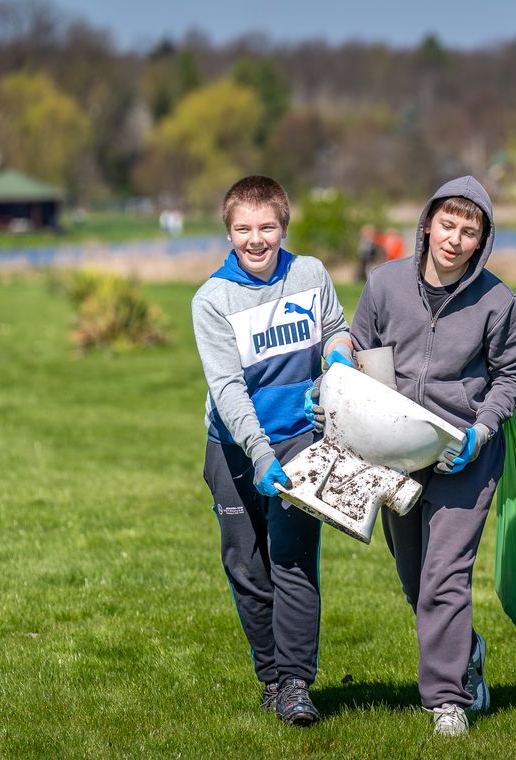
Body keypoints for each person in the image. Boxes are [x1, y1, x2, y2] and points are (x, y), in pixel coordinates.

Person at [350, 176, 516, 737]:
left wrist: (480, 430)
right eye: (447, 224)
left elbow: (510, 378)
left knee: (445, 576)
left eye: (468, 231)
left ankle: (446, 699)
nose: (454, 238)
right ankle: (464, 647)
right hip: (396, 452)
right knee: (414, 580)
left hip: (462, 457)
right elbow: (357, 346)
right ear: (427, 223)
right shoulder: (384, 284)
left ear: (482, 240)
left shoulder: (499, 301)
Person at [191, 175, 354, 727]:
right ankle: (270, 677)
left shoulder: (308, 273)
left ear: (284, 226)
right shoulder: (212, 299)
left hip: (302, 441)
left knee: (293, 560)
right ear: (229, 231)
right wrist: (259, 456)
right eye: (243, 229)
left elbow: (335, 327)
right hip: (236, 448)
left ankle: (294, 684)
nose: (255, 239)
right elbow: (228, 389)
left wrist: (339, 359)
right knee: (246, 567)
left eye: (266, 227)